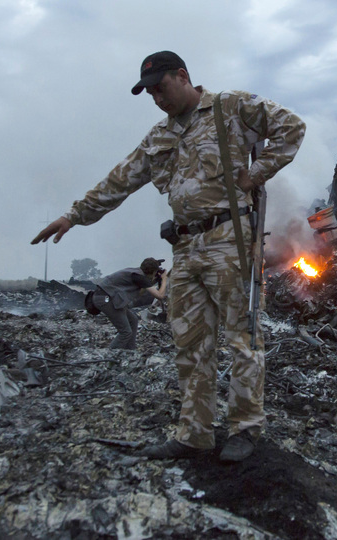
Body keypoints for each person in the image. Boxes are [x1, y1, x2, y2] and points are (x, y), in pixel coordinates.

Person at [31, 51, 306, 462]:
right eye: (150, 93)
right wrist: (74, 215)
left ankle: (245, 428)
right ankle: (194, 435)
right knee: (191, 344)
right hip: (185, 248)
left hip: (230, 241)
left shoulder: (231, 108)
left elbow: (292, 127)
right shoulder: (159, 136)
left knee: (243, 339)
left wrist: (258, 171)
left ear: (183, 76)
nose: (157, 98)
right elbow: (121, 179)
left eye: (162, 88)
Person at [86, 257, 168, 350]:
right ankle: (110, 356)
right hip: (105, 300)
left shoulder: (136, 273)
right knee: (125, 332)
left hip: (106, 298)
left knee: (133, 320)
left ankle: (130, 350)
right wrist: (164, 279)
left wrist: (153, 280)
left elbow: (140, 293)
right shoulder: (139, 277)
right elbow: (160, 296)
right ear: (153, 271)